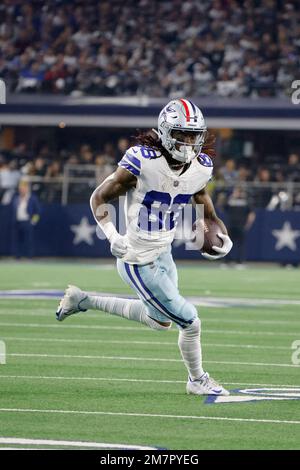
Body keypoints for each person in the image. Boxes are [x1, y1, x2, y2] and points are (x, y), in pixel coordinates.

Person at [56, 99, 233, 396]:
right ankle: (197, 379)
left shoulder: (202, 167)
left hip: (164, 252)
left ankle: (82, 300)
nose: (189, 142)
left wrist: (219, 233)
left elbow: (202, 200)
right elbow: (98, 198)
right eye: (182, 134)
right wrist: (112, 235)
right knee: (190, 321)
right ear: (165, 132)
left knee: (160, 321)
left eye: (194, 136)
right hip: (137, 258)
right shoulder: (142, 160)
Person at [11, 180, 41, 258]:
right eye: (20, 188)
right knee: (17, 240)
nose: (22, 190)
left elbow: (38, 212)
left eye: (23, 188)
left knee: (29, 240)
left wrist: (33, 222)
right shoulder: (16, 198)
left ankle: (29, 256)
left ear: (27, 189)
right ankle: (17, 256)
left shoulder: (32, 198)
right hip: (17, 222)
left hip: (27, 222)